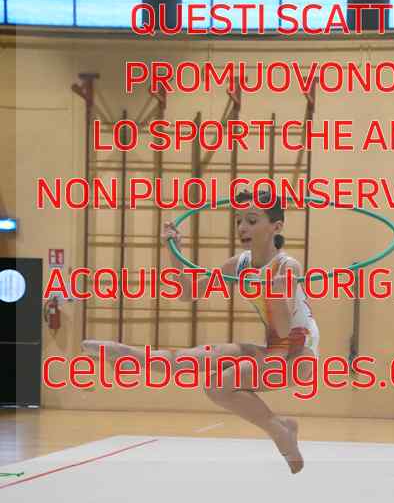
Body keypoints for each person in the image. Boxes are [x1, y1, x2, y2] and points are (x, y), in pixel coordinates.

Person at [82, 190, 319, 473]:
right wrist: (175, 250)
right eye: (239, 220)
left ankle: (280, 431)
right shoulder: (239, 264)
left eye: (252, 220)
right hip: (274, 348)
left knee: (218, 385)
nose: (242, 227)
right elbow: (188, 292)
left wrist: (276, 294)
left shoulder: (287, 267)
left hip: (298, 355)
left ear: (276, 227)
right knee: (194, 359)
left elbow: (284, 329)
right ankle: (128, 353)